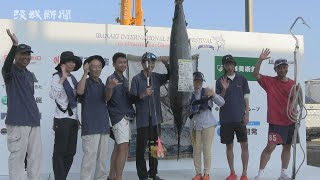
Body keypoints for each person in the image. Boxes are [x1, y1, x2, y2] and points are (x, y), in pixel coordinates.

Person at [2, 29, 42, 180]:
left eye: (28, 54)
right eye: (22, 53)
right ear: (15, 56)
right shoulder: (9, 71)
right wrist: (14, 45)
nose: (26, 57)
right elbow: (6, 65)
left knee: (35, 160)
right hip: (18, 122)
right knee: (17, 159)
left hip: (34, 121)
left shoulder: (30, 75)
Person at [253, 49, 296, 180]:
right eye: (279, 68)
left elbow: (296, 101)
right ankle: (260, 174)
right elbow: (255, 74)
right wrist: (260, 59)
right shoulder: (269, 82)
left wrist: (296, 106)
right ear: (275, 70)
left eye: (284, 67)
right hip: (276, 122)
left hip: (290, 120)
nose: (282, 70)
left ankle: (283, 172)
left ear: (287, 67)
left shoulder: (293, 83)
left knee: (287, 147)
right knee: (270, 147)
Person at [130, 52, 169, 180]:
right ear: (142, 63)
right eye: (147, 62)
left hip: (156, 119)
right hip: (142, 120)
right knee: (141, 149)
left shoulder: (157, 77)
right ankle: (142, 175)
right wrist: (143, 94)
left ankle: (153, 173)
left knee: (155, 147)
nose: (150, 65)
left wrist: (166, 64)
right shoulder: (136, 79)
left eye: (152, 62)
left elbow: (171, 76)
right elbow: (131, 99)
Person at [215, 54, 250, 180]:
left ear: (235, 65)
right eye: (227, 64)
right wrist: (224, 89)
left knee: (244, 145)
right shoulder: (220, 80)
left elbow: (246, 97)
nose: (229, 66)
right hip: (226, 119)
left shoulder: (242, 79)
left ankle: (244, 174)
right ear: (223, 66)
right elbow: (219, 100)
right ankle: (232, 173)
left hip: (240, 119)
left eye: (231, 64)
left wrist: (247, 114)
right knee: (229, 146)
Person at [49, 51, 82, 180]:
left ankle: (62, 177)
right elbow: (53, 95)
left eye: (74, 62)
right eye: (69, 61)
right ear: (63, 63)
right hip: (61, 119)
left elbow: (75, 100)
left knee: (71, 152)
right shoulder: (56, 77)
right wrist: (62, 77)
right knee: (59, 152)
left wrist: (77, 118)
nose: (72, 64)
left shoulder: (73, 78)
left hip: (73, 120)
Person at [77, 55, 110, 180]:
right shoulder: (85, 81)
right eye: (93, 67)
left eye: (99, 66)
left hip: (103, 127)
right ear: (88, 68)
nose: (96, 69)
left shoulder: (102, 83)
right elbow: (79, 92)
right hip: (90, 127)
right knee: (89, 159)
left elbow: (107, 98)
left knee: (102, 160)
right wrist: (85, 73)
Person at [190, 72, 225, 180]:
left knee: (206, 149)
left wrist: (213, 94)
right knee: (196, 149)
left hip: (208, 124)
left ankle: (206, 174)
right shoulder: (188, 94)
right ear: (193, 81)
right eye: (196, 80)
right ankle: (198, 173)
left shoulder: (207, 91)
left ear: (202, 81)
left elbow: (221, 102)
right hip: (195, 125)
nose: (198, 82)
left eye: (200, 80)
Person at [106, 52, 135, 180]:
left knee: (118, 148)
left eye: (125, 62)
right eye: (120, 62)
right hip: (118, 117)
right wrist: (110, 87)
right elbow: (106, 98)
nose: (123, 64)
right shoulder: (111, 78)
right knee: (123, 149)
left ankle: (111, 176)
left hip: (125, 117)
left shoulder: (125, 79)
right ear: (113, 64)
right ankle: (119, 178)